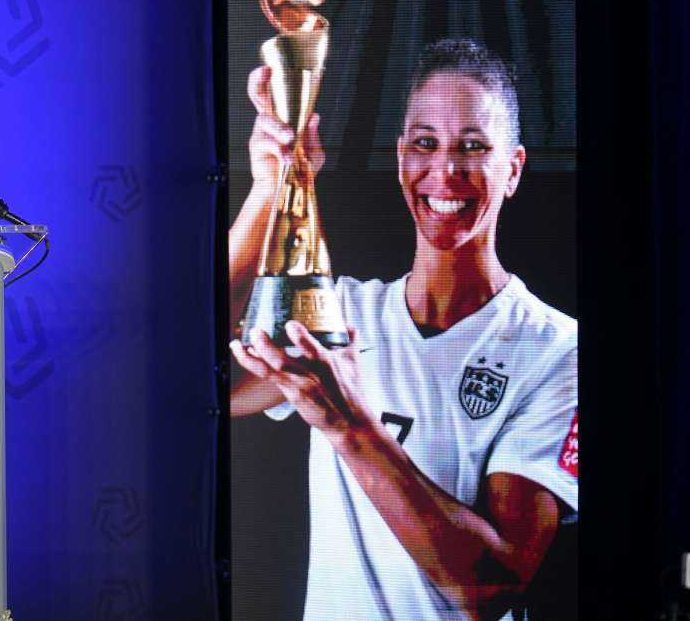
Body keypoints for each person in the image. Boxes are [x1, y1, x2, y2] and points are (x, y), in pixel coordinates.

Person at [229, 39, 578, 620]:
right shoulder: (336, 313)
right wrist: (270, 190)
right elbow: (195, 383)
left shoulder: (559, 350)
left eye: (472, 146)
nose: (445, 171)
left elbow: (489, 590)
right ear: (400, 159)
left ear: (513, 169)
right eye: (425, 143)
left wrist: (350, 424)